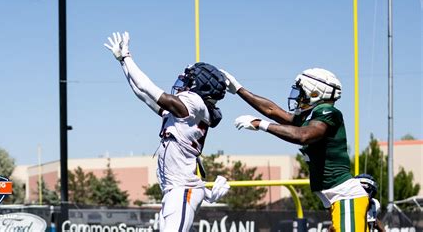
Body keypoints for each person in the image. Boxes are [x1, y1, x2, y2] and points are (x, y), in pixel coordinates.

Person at [104, 32, 230, 232]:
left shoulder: (194, 103)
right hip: (175, 190)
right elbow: (142, 94)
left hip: (183, 189)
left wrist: (127, 57)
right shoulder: (183, 115)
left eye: (189, 80)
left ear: (200, 87)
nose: (183, 83)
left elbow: (147, 86)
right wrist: (122, 62)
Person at [221, 68, 369, 232]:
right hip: (336, 199)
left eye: (302, 92)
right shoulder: (312, 115)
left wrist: (261, 125)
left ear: (315, 93)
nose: (298, 96)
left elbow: (303, 135)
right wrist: (238, 89)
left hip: (345, 197)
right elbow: (272, 111)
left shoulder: (328, 112)